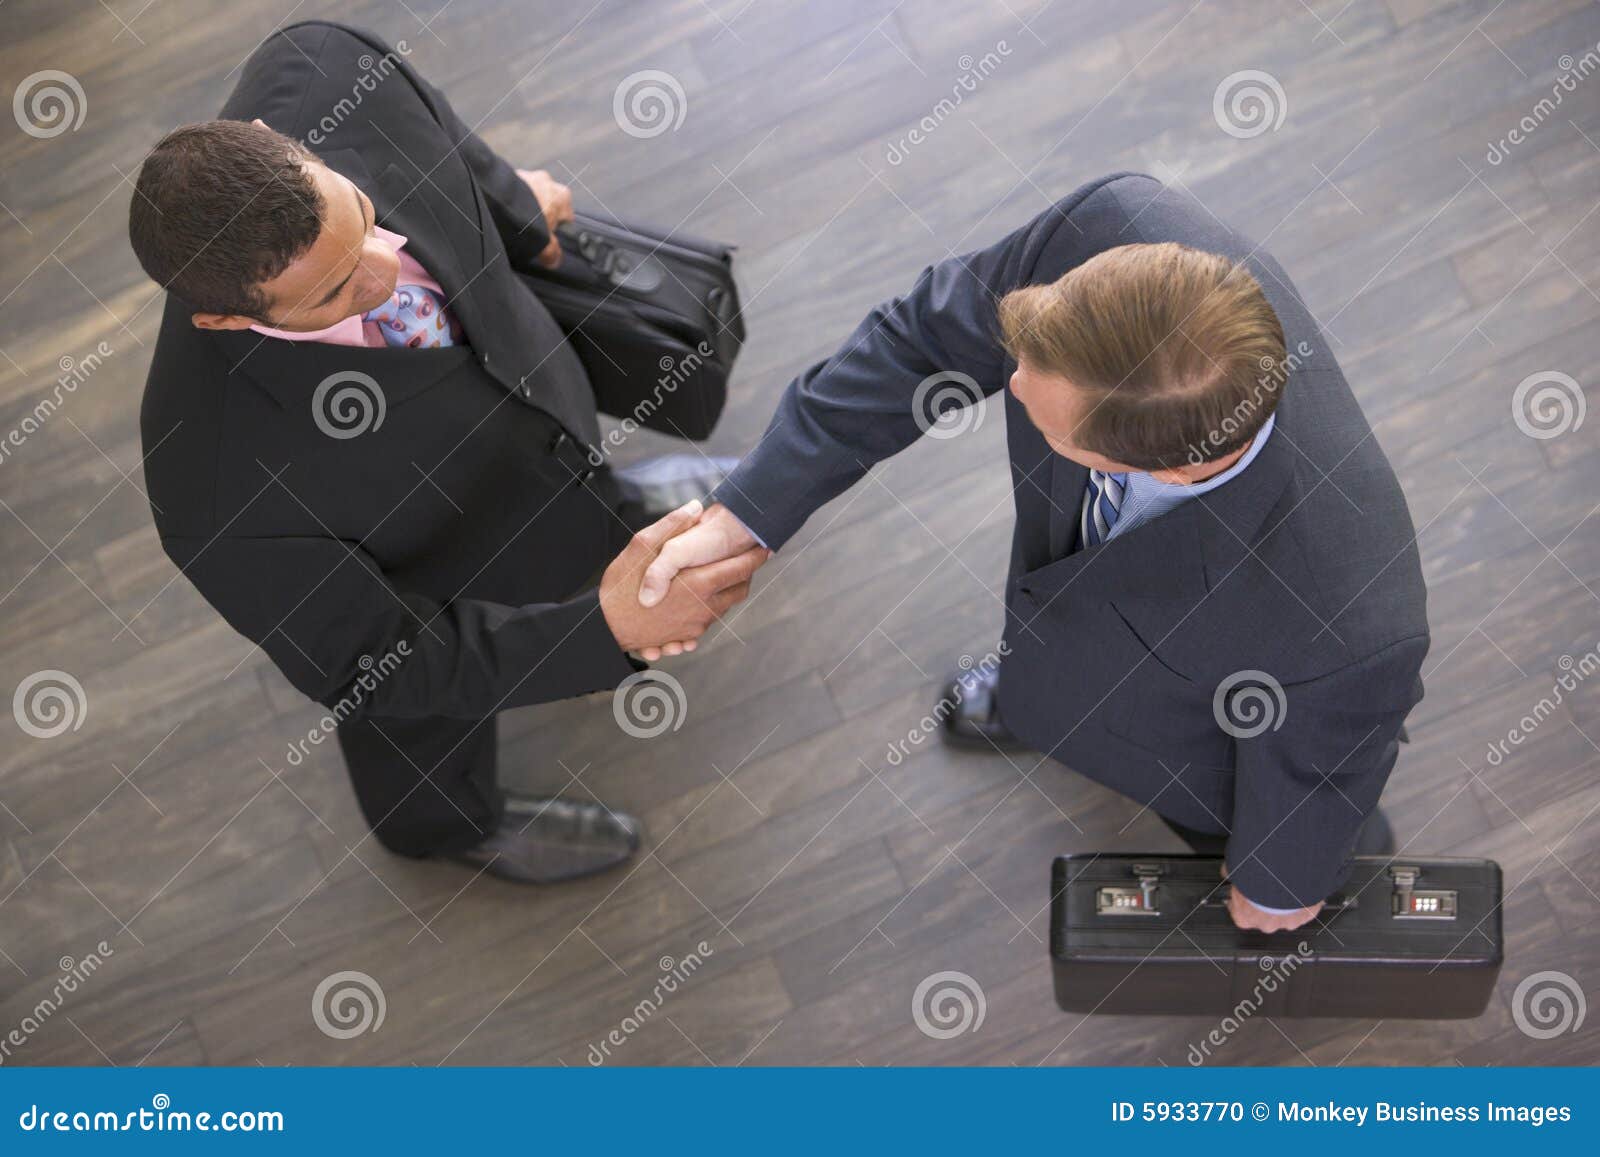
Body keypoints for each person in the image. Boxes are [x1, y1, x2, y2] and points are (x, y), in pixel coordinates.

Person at [637, 173, 1429, 932]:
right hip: (1081, 639)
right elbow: (919, 340)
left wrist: (1282, 877)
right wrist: (746, 514)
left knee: (1269, 833)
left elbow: (1324, 763)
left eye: (1048, 417)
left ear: (1167, 466)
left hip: (1200, 752)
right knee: (1055, 660)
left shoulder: (1350, 619)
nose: (1008, 387)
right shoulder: (1108, 228)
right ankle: (1037, 701)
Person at [128, 21, 765, 885]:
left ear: (284, 145)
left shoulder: (324, 63)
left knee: (571, 475)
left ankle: (613, 514)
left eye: (360, 220)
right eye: (333, 293)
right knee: (417, 729)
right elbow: (382, 668)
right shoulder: (214, 489)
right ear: (228, 320)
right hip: (443, 577)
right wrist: (607, 629)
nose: (387, 272)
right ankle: (445, 828)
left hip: (535, 396)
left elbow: (442, 130)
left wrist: (517, 216)